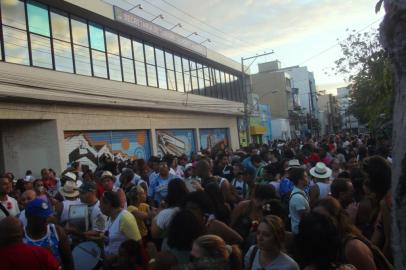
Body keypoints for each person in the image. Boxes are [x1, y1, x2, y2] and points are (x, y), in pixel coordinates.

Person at [313, 198, 382, 270]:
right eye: (314, 218)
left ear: (337, 219)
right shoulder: (324, 243)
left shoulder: (352, 247)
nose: (318, 223)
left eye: (324, 219)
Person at [23, 198, 74, 270]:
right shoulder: (20, 235)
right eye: (42, 217)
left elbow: (68, 260)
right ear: (29, 217)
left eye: (47, 216)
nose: (47, 220)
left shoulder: (57, 231)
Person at [231, 184, 277, 252]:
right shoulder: (244, 206)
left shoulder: (266, 210)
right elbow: (231, 224)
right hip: (237, 243)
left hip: (253, 247)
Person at [100, 191, 141, 258]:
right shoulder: (110, 217)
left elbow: (137, 244)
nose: (99, 206)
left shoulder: (125, 218)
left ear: (108, 205)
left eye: (101, 203)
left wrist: (118, 259)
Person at [288, 167, 310, 234]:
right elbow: (304, 218)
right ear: (300, 180)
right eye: (306, 177)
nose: (308, 179)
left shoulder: (300, 193)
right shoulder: (297, 197)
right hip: (300, 233)